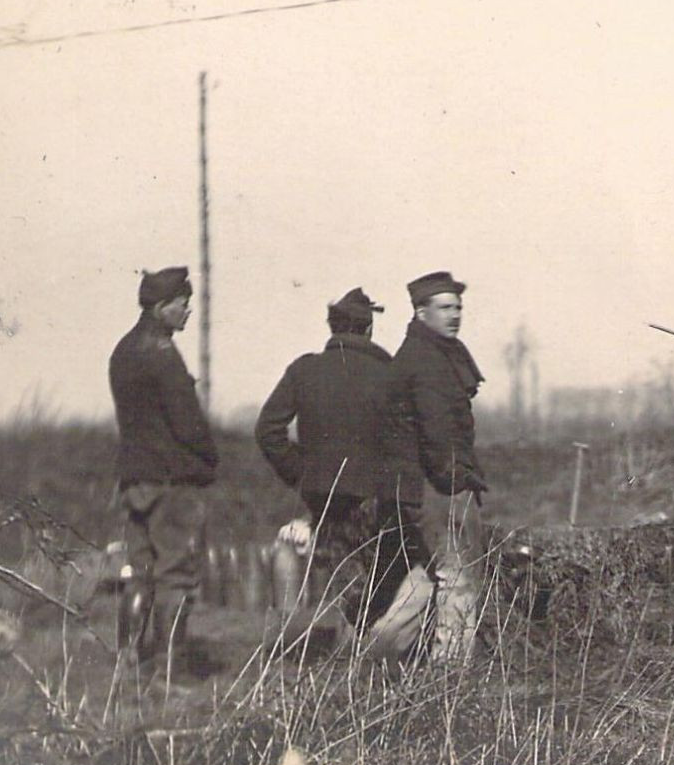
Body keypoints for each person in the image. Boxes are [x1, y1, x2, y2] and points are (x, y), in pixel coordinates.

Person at [255, 288, 423, 655]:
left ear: (332, 328)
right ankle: (358, 658)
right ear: (368, 330)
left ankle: (295, 648)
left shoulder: (305, 370)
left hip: (323, 503)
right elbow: (409, 444)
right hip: (376, 506)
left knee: (320, 565)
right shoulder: (391, 376)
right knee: (377, 583)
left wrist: (304, 474)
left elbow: (268, 430)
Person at [108, 266, 217, 659]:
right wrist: (210, 458)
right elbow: (188, 424)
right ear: (160, 307)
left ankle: (129, 662)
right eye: (182, 305)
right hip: (171, 482)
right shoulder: (163, 354)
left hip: (133, 478)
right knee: (176, 575)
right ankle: (171, 672)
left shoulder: (123, 350)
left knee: (140, 572)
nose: (189, 312)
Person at [390, 270, 488, 663]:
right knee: (459, 578)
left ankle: (374, 657)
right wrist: (457, 480)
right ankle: (449, 677)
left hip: (421, 485)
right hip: (438, 487)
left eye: (458, 307)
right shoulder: (427, 361)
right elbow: (438, 430)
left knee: (427, 577)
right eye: (445, 307)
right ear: (420, 312)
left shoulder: (427, 353)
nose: (455, 315)